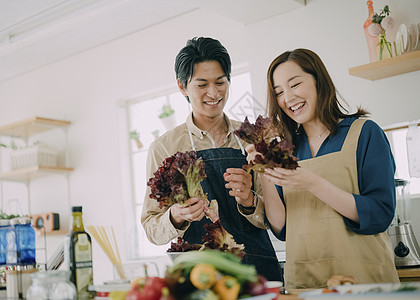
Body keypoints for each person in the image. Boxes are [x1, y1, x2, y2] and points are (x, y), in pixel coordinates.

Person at [246, 48, 399, 289]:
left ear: (319, 80)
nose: (288, 98)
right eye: (279, 92)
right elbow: (281, 226)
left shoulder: (364, 133)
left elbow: (379, 213)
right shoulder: (286, 150)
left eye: (295, 84)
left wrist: (311, 182)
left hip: (364, 281)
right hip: (306, 283)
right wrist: (263, 169)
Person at [141, 37, 283, 281]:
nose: (214, 93)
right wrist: (176, 215)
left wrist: (249, 201)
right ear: (182, 86)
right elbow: (151, 228)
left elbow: (278, 220)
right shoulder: (165, 147)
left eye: (220, 82)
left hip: (256, 270)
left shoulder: (253, 139)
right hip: (200, 277)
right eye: (202, 84)